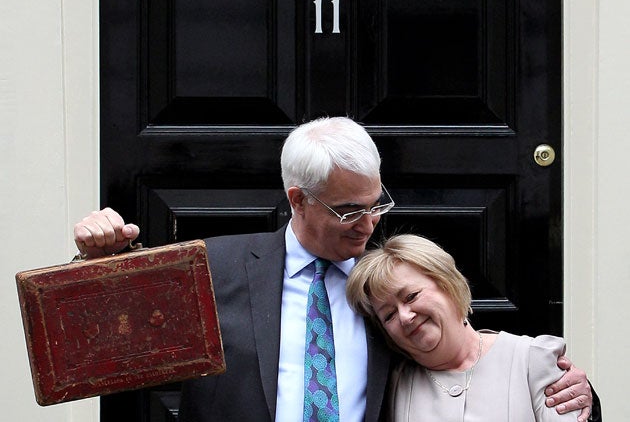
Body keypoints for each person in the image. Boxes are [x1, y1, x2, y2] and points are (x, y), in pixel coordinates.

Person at [73, 117, 597, 421]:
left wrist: (566, 388)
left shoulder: (387, 291)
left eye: (376, 204)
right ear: (298, 199)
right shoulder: (214, 265)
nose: (368, 224)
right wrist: (95, 268)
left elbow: (461, 353)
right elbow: (103, 353)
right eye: (349, 211)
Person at [346, 233, 598, 421]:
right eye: (388, 315)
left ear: (447, 284)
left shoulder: (532, 359)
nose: (405, 316)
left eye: (411, 296)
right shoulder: (392, 384)